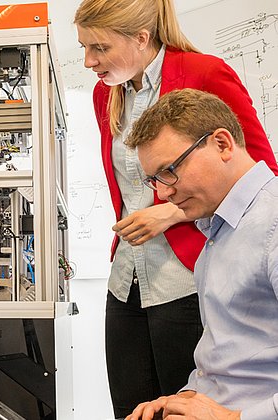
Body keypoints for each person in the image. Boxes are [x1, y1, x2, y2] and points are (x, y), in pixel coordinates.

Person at [73, 0, 278, 417]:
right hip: (128, 276)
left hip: (186, 271)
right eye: (83, 47)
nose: (88, 61)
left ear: (141, 38)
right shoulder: (105, 95)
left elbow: (257, 170)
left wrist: (168, 213)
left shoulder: (203, 74)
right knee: (141, 408)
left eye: (99, 48)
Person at [124, 88, 278, 420]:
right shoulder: (217, 232)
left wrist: (234, 419)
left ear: (222, 144)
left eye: (170, 170)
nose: (163, 193)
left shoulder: (272, 224)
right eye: (155, 180)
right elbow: (225, 362)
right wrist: (184, 400)